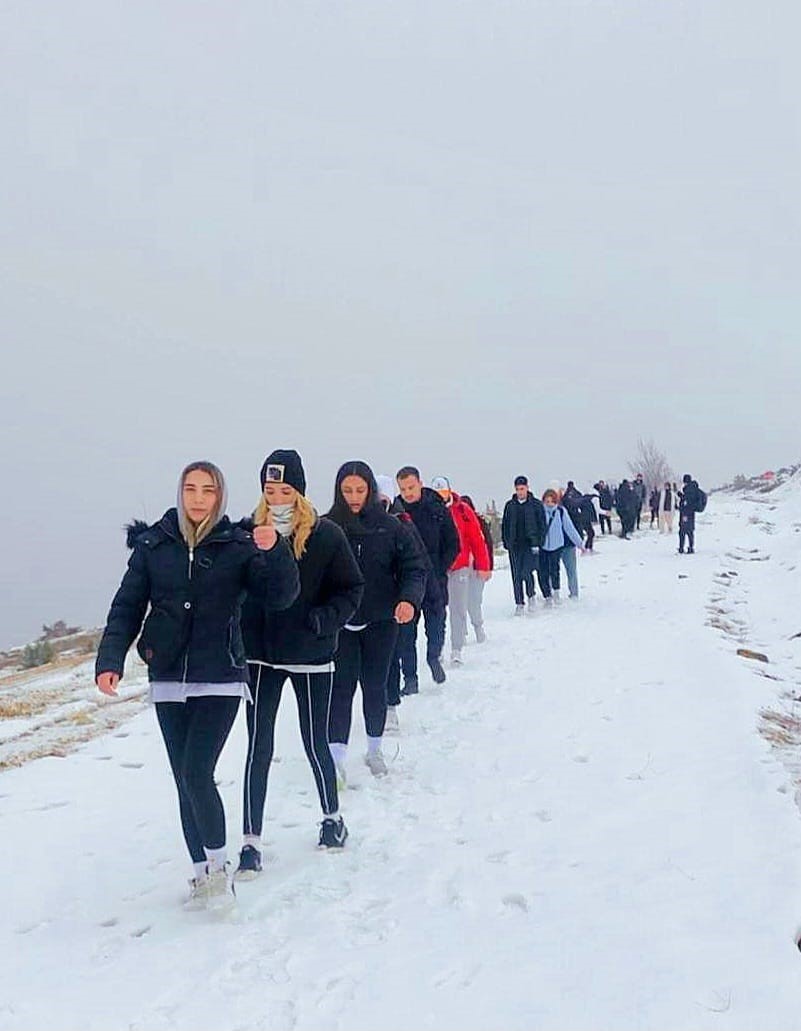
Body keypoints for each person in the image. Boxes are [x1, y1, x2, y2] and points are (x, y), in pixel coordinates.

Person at [95, 461, 300, 910]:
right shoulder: (154, 545)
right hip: (167, 675)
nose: (198, 498)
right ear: (180, 493)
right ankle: (200, 873)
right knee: (183, 780)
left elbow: (280, 596)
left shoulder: (239, 544)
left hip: (221, 676)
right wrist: (110, 659)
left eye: (208, 490)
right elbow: (126, 606)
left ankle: (219, 869)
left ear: (219, 496)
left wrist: (277, 551)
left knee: (196, 772)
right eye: (190, 489)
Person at [235, 450, 365, 877]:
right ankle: (251, 841)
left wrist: (324, 620)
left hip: (310, 654)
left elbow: (350, 588)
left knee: (314, 742)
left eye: (285, 490)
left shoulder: (326, 536)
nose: (276, 499)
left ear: (300, 492)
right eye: (269, 491)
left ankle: (332, 819)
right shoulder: (247, 532)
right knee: (258, 747)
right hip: (260, 655)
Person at [327, 462, 427, 779]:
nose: (354, 497)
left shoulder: (392, 527)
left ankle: (374, 749)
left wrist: (408, 600)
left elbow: (414, 567)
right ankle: (336, 757)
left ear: (371, 490)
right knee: (340, 690)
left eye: (360, 490)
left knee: (375, 687)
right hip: (339, 624)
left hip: (381, 620)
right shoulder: (326, 527)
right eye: (347, 491)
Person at [394, 466, 460, 687]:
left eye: (411, 487)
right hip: (406, 582)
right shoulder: (396, 511)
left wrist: (440, 568)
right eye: (403, 489)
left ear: (420, 484)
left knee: (436, 624)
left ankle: (434, 658)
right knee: (405, 634)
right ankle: (410, 679)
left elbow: (453, 543)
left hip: (434, 578)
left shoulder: (436, 508)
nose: (407, 493)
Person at [375, 475, 429, 734]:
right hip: (365, 604)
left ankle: (390, 706)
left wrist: (413, 597)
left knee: (393, 653)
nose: (378, 504)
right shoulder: (354, 524)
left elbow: (418, 564)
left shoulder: (402, 524)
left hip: (397, 603)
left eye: (383, 499)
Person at [431, 476, 491, 665]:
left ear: (449, 491)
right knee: (437, 611)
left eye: (443, 493)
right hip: (437, 570)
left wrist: (483, 566)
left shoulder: (463, 511)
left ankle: (456, 649)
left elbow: (477, 539)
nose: (441, 498)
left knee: (458, 608)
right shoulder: (430, 511)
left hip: (460, 567)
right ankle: (437, 648)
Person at [501, 476, 546, 615]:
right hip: (514, 546)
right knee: (516, 575)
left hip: (530, 545)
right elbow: (505, 525)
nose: (520, 492)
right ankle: (519, 602)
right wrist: (506, 541)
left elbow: (542, 525)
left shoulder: (536, 505)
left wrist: (538, 542)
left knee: (526, 572)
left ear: (527, 487)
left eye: (522, 489)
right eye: (517, 489)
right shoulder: (510, 505)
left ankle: (531, 596)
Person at [537, 488, 585, 604]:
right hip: (543, 546)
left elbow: (570, 528)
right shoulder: (540, 512)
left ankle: (563, 592)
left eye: (551, 501)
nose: (549, 504)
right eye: (547, 501)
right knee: (544, 571)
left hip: (558, 545)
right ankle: (548, 594)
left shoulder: (561, 511)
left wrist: (579, 543)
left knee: (556, 570)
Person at [461, 494, 493, 641]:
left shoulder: (479, 522)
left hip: (477, 568)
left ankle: (478, 627)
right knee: (459, 602)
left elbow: (488, 545)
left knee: (474, 600)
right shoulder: (454, 523)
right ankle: (461, 630)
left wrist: (487, 567)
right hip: (460, 569)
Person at [678, 473, 702, 554]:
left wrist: (681, 497)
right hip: (691, 513)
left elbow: (686, 501)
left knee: (682, 531)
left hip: (686, 513)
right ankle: (691, 547)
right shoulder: (694, 488)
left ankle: (682, 548)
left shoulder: (688, 490)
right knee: (690, 531)